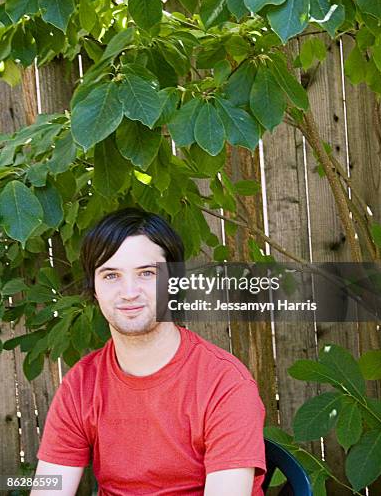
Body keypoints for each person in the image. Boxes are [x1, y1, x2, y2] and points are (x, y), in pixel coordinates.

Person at [31, 208, 267, 495]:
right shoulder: (80, 385)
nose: (129, 292)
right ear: (94, 288)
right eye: (111, 275)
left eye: (146, 273)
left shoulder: (225, 384)